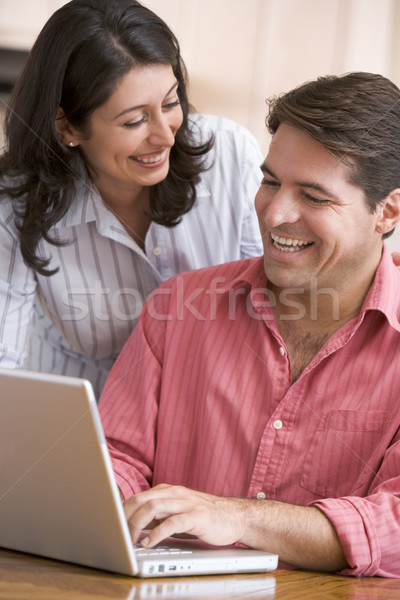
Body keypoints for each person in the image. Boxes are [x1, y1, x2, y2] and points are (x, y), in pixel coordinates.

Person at [98, 72, 400, 578]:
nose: (276, 213)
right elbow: (115, 459)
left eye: (315, 197)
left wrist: (237, 516)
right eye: (271, 181)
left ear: (387, 211)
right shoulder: (178, 306)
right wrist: (95, 496)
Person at [0, 0, 262, 398]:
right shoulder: (16, 202)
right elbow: (5, 363)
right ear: (67, 125)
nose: (166, 135)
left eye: (171, 103)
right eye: (134, 120)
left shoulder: (230, 155)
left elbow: (269, 309)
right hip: (83, 414)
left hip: (208, 403)